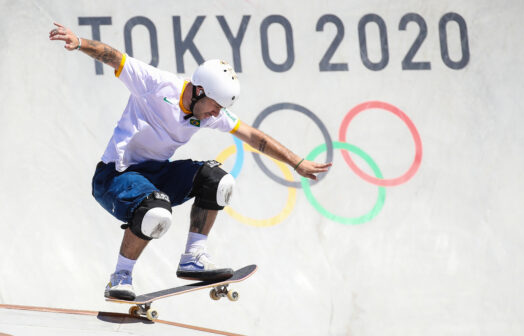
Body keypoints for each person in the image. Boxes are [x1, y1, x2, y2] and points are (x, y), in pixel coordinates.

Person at [49, 22, 332, 301]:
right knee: (156, 210)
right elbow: (114, 57)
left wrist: (297, 162)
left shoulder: (210, 111)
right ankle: (121, 276)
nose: (214, 114)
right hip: (115, 176)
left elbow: (254, 136)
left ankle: (193, 257)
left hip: (155, 174)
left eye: (220, 110)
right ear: (198, 90)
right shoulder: (157, 84)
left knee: (217, 180)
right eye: (214, 106)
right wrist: (80, 43)